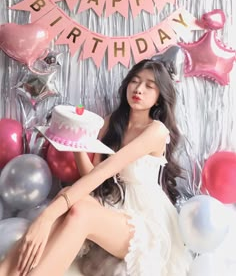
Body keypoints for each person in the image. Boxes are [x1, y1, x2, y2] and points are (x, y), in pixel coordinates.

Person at [0, 59, 191, 276]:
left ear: (159, 96)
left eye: (149, 85)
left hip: (144, 219)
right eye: (135, 81)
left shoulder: (156, 131)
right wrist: (76, 143)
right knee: (69, 197)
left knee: (80, 211)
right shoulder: (112, 122)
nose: (139, 89)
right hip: (111, 205)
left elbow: (105, 171)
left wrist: (47, 217)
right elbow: (93, 177)